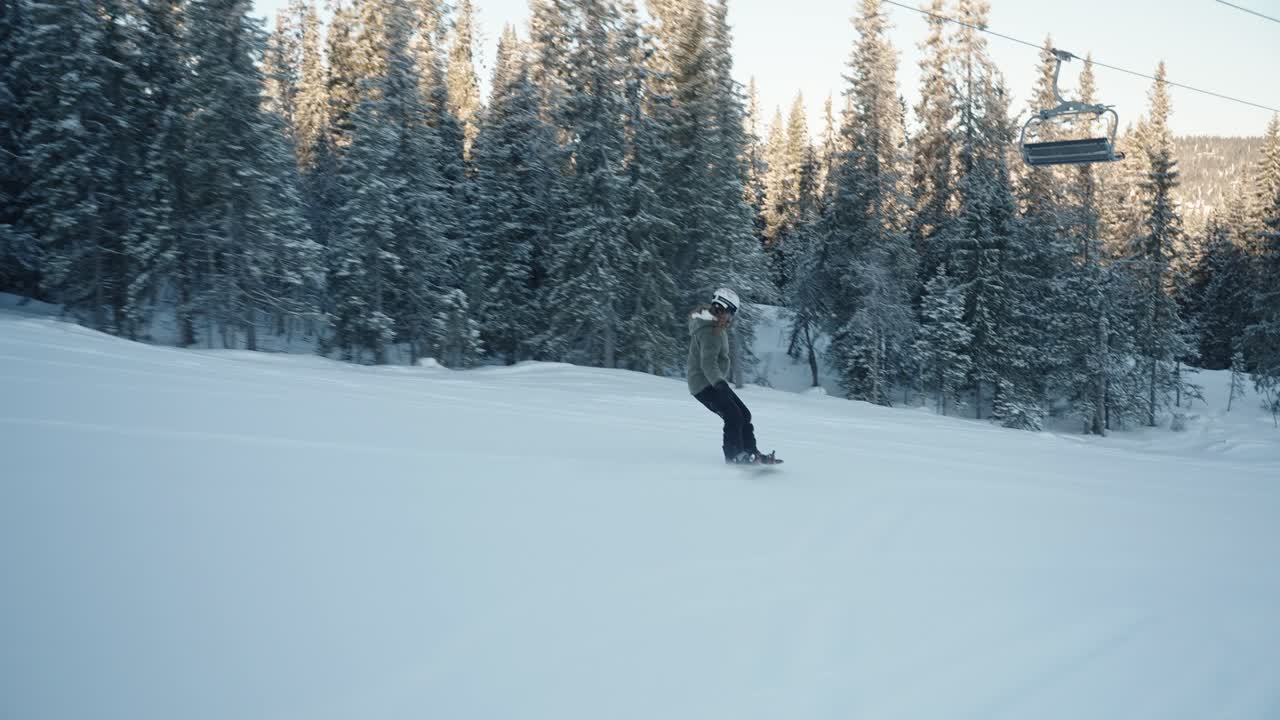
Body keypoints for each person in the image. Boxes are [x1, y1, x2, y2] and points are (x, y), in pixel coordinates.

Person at [687, 287, 781, 465]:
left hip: (713, 381)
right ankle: (734, 455)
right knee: (733, 415)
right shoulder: (709, 332)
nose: (731, 317)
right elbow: (708, 363)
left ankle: (751, 453)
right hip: (704, 384)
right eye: (731, 313)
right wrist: (720, 384)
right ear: (721, 308)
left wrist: (719, 382)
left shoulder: (713, 324)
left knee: (744, 414)